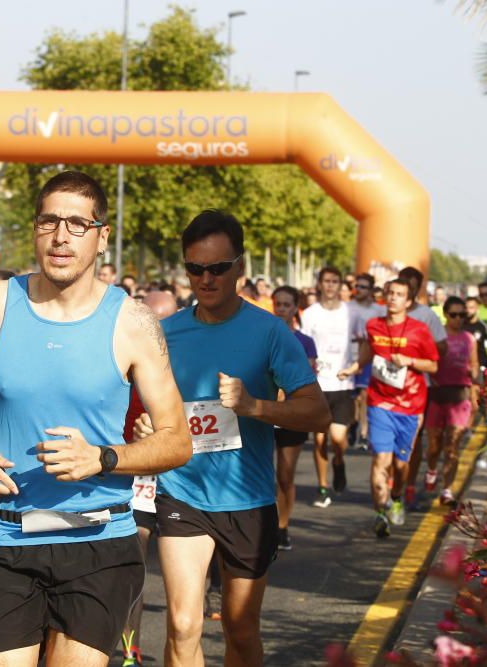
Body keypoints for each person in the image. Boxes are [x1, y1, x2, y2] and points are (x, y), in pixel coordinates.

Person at [0, 171, 191, 666]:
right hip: (5, 537)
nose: (62, 236)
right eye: (50, 221)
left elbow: (177, 441)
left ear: (101, 236)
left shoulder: (133, 322)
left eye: (77, 224)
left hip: (98, 541)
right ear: (34, 229)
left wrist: (103, 458)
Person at [132, 210, 329, 667]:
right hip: (183, 493)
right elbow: (147, 407)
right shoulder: (166, 333)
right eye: (195, 268)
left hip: (248, 499)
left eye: (218, 268)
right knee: (183, 625)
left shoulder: (271, 332)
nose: (206, 278)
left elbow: (317, 412)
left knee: (240, 630)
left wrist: (254, 406)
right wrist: (148, 428)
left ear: (239, 267)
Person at [347, 278, 439, 537]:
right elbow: (368, 350)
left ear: (409, 302)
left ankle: (396, 496)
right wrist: (355, 368)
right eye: (390, 293)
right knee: (380, 460)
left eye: (399, 294)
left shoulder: (419, 330)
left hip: (410, 405)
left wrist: (409, 360)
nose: (393, 298)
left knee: (400, 465)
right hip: (379, 402)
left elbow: (433, 365)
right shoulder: (374, 325)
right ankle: (380, 513)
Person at [118, 289, 177, 666]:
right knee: (135, 562)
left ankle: (182, 646)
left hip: (183, 478)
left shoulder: (190, 359)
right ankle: (129, 647)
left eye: (165, 322)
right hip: (135, 474)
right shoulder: (122, 353)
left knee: (180, 574)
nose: (157, 330)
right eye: (151, 321)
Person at [300, 267, 365, 507]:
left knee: (338, 439)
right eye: (326, 281)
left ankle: (339, 461)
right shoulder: (309, 314)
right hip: (317, 384)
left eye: (335, 281)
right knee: (319, 440)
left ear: (340, 285)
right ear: (319, 284)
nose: (330, 285)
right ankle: (323, 486)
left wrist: (356, 366)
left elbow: (365, 341)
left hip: (342, 382)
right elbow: (303, 345)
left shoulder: (352, 313)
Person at [396, 266, 448, 509]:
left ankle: (407, 486)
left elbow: (442, 347)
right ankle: (389, 487)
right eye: (404, 282)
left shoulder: (427, 315)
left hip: (418, 387)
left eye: (413, 284)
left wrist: (422, 359)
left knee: (413, 440)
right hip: (386, 387)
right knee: (385, 443)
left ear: (417, 288)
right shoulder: (385, 314)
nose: (409, 287)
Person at [271, 286, 318, 551]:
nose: (281, 309)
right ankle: (263, 524)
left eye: (287, 305)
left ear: (295, 308)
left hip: (292, 414)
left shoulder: (305, 342)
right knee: (260, 472)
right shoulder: (262, 337)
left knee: (285, 475)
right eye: (278, 304)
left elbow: (308, 380)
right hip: (263, 412)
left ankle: (282, 526)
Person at [424, 296, 478, 506]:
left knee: (453, 445)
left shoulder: (469, 339)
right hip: (437, 395)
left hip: (459, 396)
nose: (458, 319)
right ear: (445, 315)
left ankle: (447, 490)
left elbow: (474, 365)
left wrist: (474, 377)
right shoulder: (437, 337)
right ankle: (431, 469)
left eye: (462, 315)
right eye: (454, 314)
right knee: (434, 445)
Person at [349, 274, 387, 451]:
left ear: (371, 290)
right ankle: (353, 423)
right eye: (358, 286)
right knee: (352, 398)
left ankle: (364, 433)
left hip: (370, 358)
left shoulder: (378, 311)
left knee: (364, 395)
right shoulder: (347, 308)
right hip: (348, 357)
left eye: (364, 287)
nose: (359, 289)